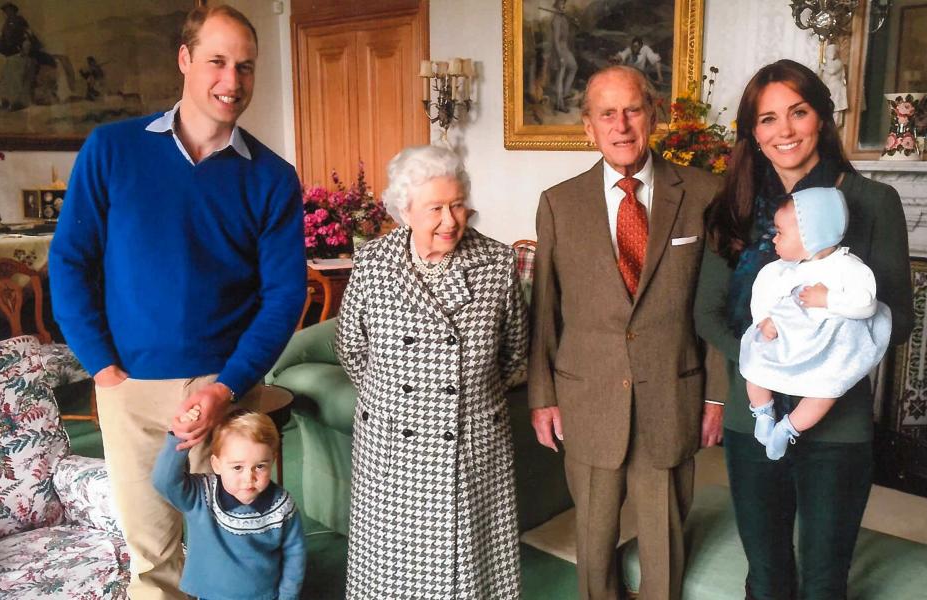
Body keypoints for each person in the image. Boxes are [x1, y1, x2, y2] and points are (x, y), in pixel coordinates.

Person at [48, 5, 307, 598]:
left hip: (227, 387)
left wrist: (228, 385)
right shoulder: (112, 149)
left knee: (241, 543)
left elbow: (284, 295)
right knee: (153, 555)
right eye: (216, 61)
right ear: (185, 60)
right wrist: (102, 367)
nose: (231, 81)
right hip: (129, 388)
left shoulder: (271, 176)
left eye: (245, 66)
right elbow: (69, 262)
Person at [694, 59, 914, 599]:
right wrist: (765, 358)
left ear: (822, 117)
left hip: (838, 426)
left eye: (798, 112)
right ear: (753, 133)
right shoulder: (735, 208)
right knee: (766, 574)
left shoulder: (871, 203)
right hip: (755, 421)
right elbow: (708, 313)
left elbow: (900, 319)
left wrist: (821, 356)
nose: (784, 130)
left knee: (823, 579)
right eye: (767, 119)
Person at [529, 65, 723, 600]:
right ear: (588, 127)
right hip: (586, 397)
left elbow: (721, 307)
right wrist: (542, 396)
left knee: (665, 541)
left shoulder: (707, 194)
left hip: (672, 394)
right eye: (606, 113)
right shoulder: (558, 203)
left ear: (653, 116)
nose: (621, 125)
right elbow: (546, 310)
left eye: (632, 109)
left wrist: (716, 394)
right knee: (593, 541)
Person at [335, 144, 528, 599]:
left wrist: (469, 398)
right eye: (435, 208)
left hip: (470, 441)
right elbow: (350, 348)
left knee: (470, 573)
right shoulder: (372, 263)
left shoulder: (497, 265)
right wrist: (398, 402)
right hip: (390, 447)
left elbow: (516, 354)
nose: (450, 220)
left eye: (458, 204)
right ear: (405, 211)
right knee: (391, 571)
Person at [739, 187, 892, 460]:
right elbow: (761, 294)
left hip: (826, 345)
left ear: (813, 235)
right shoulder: (780, 269)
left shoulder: (848, 267)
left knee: (827, 390)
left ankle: (788, 428)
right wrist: (763, 319)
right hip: (785, 337)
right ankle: (763, 412)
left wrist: (829, 299)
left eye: (780, 233)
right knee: (754, 363)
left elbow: (866, 303)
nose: (774, 239)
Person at [152, 409, 306, 599]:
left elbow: (295, 555)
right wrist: (180, 438)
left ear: (272, 461)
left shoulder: (282, 505)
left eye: (260, 466)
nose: (248, 478)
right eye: (237, 467)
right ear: (216, 465)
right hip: (210, 594)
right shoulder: (201, 494)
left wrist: (287, 596)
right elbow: (164, 481)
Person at [550, 0, 577, 113]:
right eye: (561, 4)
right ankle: (559, 104)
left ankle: (565, 94)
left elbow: (569, 33)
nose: (563, 6)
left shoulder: (564, 18)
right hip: (559, 50)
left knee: (573, 67)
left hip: (565, 48)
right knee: (560, 75)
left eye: (564, 4)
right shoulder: (556, 20)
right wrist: (560, 56)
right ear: (556, 6)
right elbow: (556, 40)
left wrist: (575, 23)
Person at [819, 44, 847, 127]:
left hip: (836, 88)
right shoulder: (826, 64)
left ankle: (834, 125)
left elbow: (832, 71)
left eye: (833, 52)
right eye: (830, 52)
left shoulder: (838, 63)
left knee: (836, 108)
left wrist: (823, 67)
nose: (832, 53)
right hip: (829, 88)